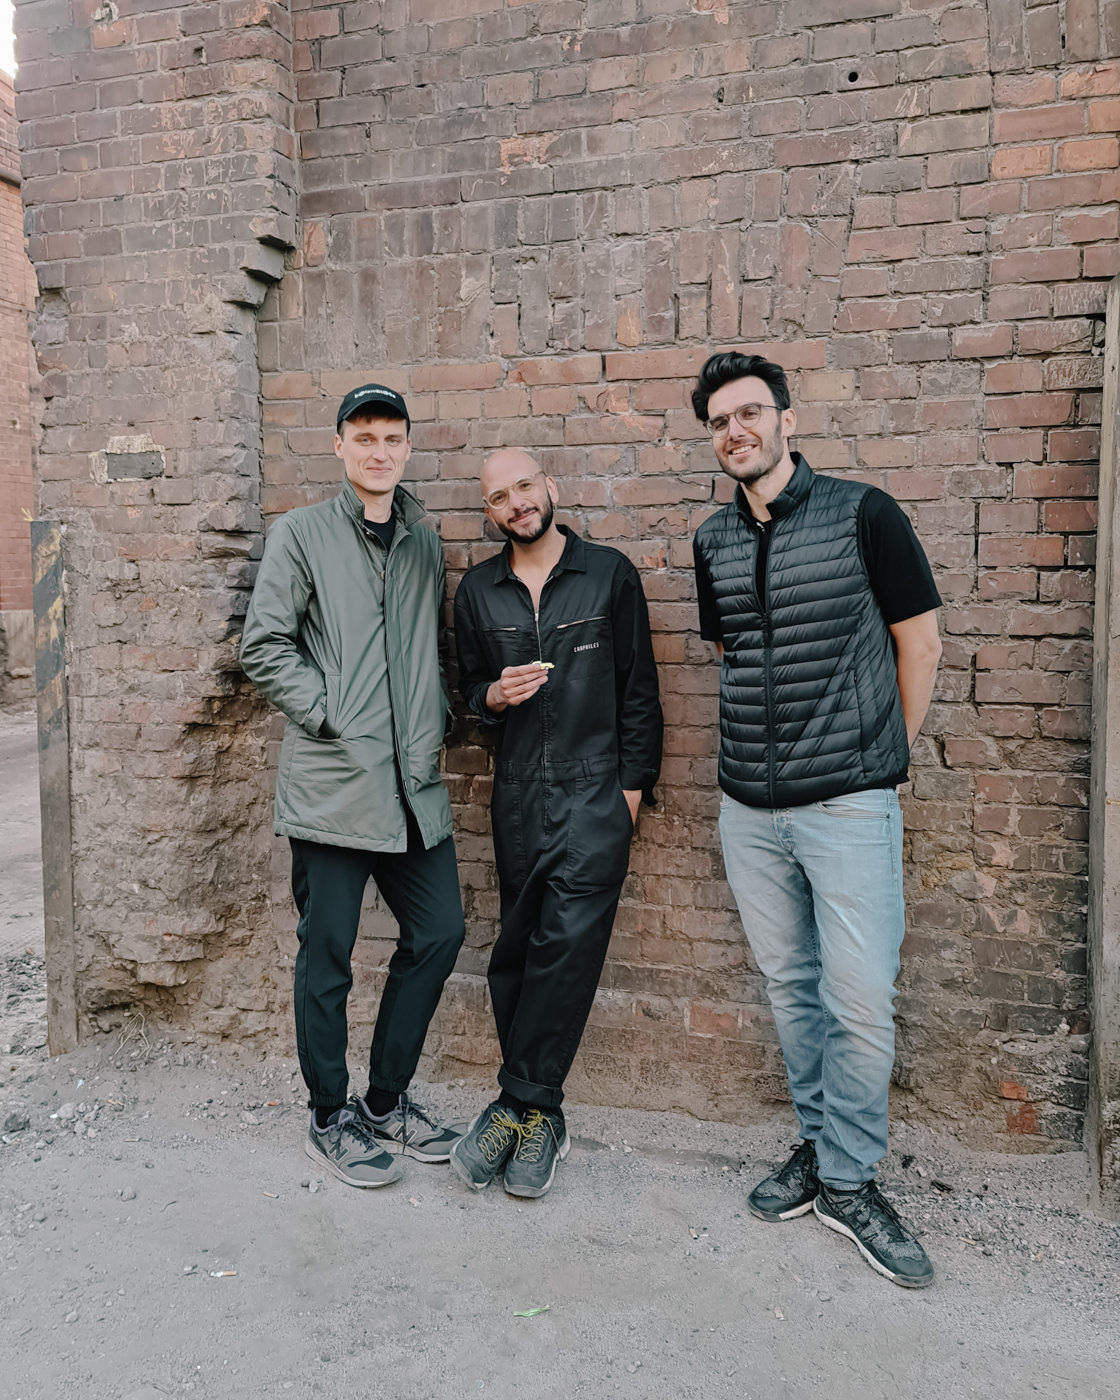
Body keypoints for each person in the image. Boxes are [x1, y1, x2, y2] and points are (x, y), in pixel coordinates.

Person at [691, 352, 943, 1288]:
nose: (737, 431)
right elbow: (735, 651)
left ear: (786, 420)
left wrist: (883, 762)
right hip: (748, 809)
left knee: (861, 998)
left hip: (848, 801)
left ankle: (848, 1180)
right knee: (793, 987)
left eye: (751, 412)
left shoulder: (864, 513)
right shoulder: (713, 540)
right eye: (720, 421)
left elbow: (920, 642)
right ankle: (819, 1143)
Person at [240, 383, 465, 1189]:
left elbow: (426, 652)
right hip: (334, 786)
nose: (379, 451)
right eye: (364, 437)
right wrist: (332, 711)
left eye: (392, 438)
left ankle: (384, 1103)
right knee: (328, 955)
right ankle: (328, 1115)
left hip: (412, 788)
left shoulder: (424, 544)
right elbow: (264, 646)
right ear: (339, 445)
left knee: (440, 933)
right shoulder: (300, 535)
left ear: (407, 447)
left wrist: (439, 716)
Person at [451, 449, 663, 1198]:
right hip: (517, 795)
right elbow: (466, 692)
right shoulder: (478, 591)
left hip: (595, 793)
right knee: (516, 951)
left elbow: (639, 693)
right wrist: (493, 697)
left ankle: (516, 1105)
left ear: (551, 487)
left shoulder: (609, 575)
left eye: (525, 487)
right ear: (489, 512)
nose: (516, 503)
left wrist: (629, 795)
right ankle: (541, 1114)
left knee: (566, 949)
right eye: (498, 496)